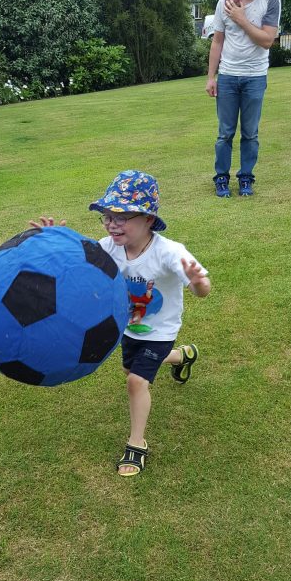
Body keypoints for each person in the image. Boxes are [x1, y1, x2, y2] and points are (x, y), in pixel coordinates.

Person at [31, 170, 211, 477]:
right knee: (132, 369)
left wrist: (197, 283)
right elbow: (78, 256)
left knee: (135, 381)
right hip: (127, 328)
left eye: (122, 217)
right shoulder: (108, 247)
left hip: (160, 331)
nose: (112, 224)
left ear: (148, 219)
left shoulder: (170, 252)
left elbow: (202, 290)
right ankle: (183, 356)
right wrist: (53, 239)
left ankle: (136, 443)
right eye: (107, 216)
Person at [206, 0, 281, 198]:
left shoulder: (271, 0)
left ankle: (246, 178)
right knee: (224, 133)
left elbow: (267, 40)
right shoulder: (225, 1)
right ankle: (221, 178)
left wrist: (241, 18)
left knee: (250, 133)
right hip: (227, 76)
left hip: (255, 76)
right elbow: (217, 41)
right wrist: (211, 77)